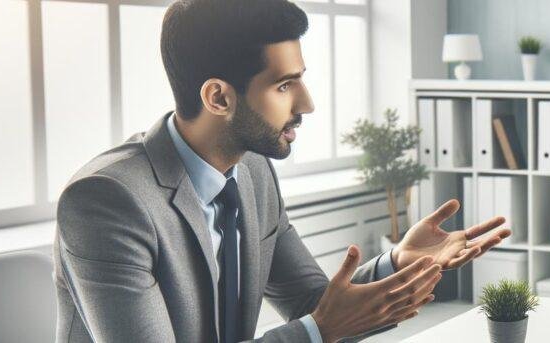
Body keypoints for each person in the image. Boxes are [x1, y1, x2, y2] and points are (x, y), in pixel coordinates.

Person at [52, 0, 511, 342]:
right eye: (284, 84)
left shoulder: (252, 172)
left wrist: (397, 265)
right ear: (218, 97)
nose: (306, 103)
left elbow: (314, 304)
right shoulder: (107, 201)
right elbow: (321, 323)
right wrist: (316, 332)